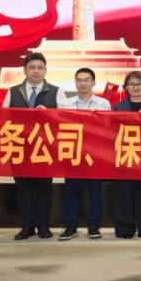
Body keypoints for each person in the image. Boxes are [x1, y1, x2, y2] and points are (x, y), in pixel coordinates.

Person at [2, 51, 61, 241]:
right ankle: (26, 227)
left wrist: (50, 113)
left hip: (45, 150)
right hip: (20, 148)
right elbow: (2, 119)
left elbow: (66, 119)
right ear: (25, 70)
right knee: (24, 190)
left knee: (44, 189)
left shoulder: (56, 92)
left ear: (45, 70)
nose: (36, 71)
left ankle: (44, 226)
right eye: (32, 68)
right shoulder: (13, 92)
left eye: (40, 68)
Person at [57, 67, 110, 240]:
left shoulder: (103, 104)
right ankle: (70, 227)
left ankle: (93, 227)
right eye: (79, 80)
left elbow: (107, 129)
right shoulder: (66, 104)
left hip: (95, 155)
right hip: (73, 154)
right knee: (71, 192)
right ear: (75, 83)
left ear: (93, 82)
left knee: (95, 193)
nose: (83, 83)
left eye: (87, 80)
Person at [112, 71, 141, 239]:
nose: (135, 87)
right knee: (124, 194)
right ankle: (125, 229)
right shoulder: (118, 107)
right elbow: (112, 131)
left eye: (139, 84)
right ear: (126, 87)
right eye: (132, 84)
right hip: (125, 155)